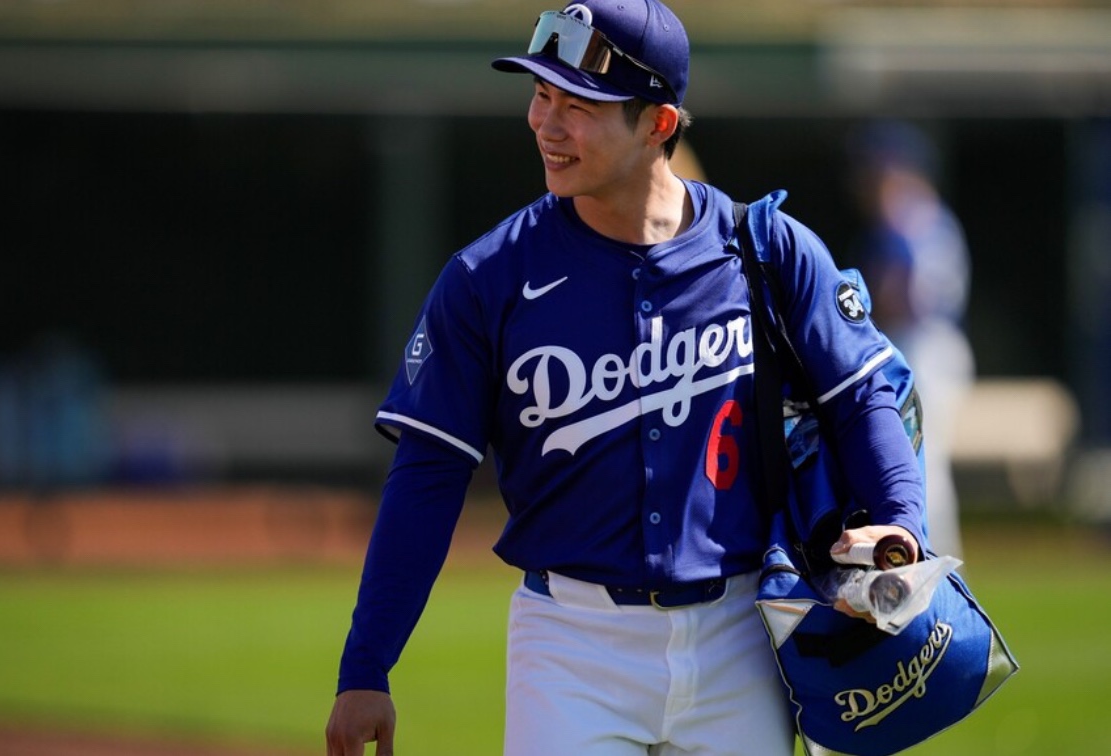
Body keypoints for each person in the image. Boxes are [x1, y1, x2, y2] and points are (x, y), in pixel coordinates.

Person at [326, 2, 926, 754]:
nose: (546, 124)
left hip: (742, 638)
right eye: (540, 94)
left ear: (658, 124)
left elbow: (863, 396)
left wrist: (903, 524)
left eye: (578, 106)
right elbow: (428, 474)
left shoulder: (767, 250)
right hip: (569, 644)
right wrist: (366, 666)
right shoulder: (488, 278)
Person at [848, 121, 974, 560]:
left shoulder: (906, 217)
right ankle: (934, 558)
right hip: (934, 342)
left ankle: (937, 561)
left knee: (921, 460)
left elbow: (908, 298)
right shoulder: (931, 217)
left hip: (925, 343)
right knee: (920, 459)